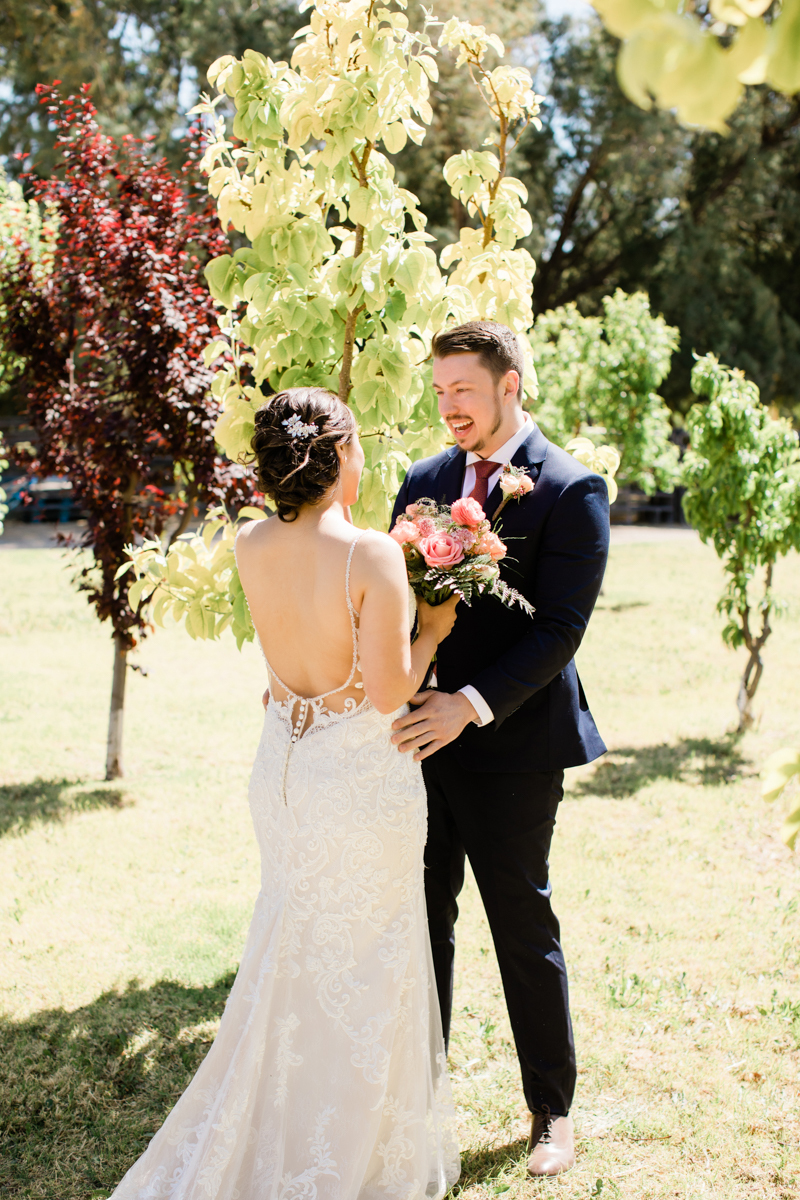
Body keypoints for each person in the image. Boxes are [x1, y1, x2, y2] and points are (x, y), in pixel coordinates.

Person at [108, 387, 460, 1200]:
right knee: (369, 964)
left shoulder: (253, 543)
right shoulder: (370, 554)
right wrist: (433, 632)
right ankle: (353, 1150)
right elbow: (386, 693)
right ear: (338, 457)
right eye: (357, 446)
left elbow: (284, 667)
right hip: (359, 786)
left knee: (293, 949)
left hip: (284, 772)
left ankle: (285, 1122)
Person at [390, 320, 610, 1178]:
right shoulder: (422, 481)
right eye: (440, 392)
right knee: (419, 921)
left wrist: (468, 707)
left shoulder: (570, 487)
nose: (449, 408)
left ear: (509, 384)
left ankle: (551, 1112)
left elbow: (559, 631)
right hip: (415, 740)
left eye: (464, 391)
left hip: (514, 746)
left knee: (521, 923)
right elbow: (391, 604)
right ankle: (416, 1100)